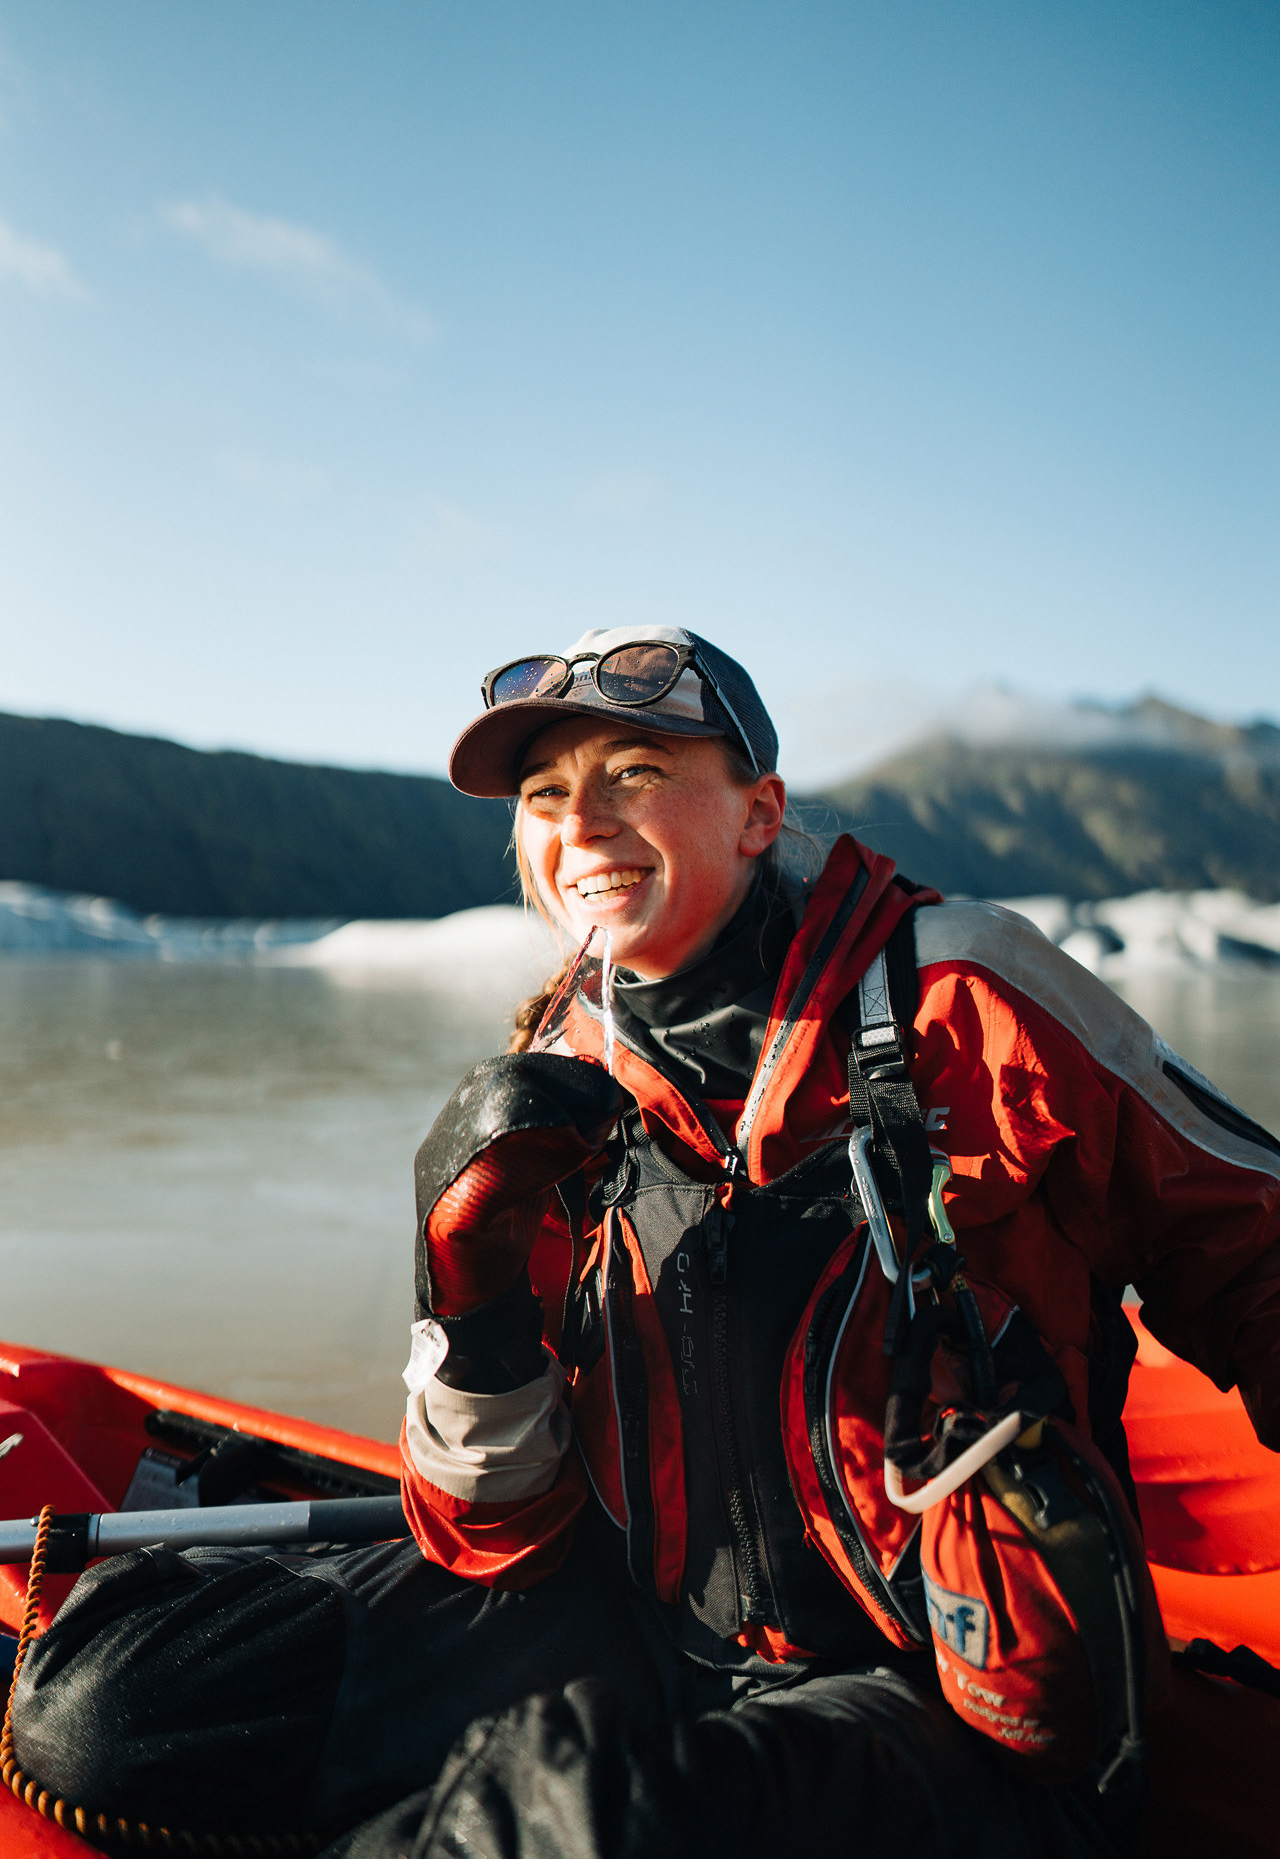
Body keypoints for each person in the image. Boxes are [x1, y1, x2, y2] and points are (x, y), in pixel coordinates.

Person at [10, 624, 1280, 1859]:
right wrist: (465, 1287)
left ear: (758, 812)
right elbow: (491, 1528)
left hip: (946, 1687)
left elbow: (1252, 1252)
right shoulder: (552, 1069)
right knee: (111, 1709)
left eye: (634, 773)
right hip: (642, 1620)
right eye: (547, 792)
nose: (582, 821)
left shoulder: (961, 993)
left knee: (585, 1831)